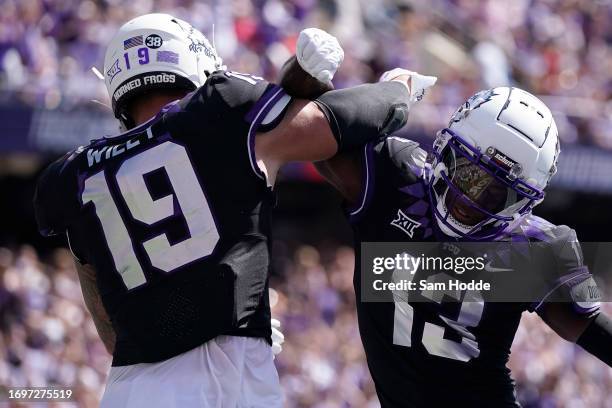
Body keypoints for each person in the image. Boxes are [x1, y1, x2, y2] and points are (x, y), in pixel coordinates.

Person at [32, 13, 424, 408]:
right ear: (197, 64)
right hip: (225, 384)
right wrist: (396, 91)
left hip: (130, 392)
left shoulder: (70, 173)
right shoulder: (221, 105)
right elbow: (335, 125)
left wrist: (192, 316)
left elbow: (111, 329)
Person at [316, 82, 612, 407]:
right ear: (443, 147)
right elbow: (314, 131)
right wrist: (390, 91)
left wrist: (387, 96)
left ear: (524, 203)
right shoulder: (394, 175)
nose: (472, 199)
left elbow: (590, 330)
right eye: (468, 174)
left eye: (497, 193)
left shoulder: (533, 247)